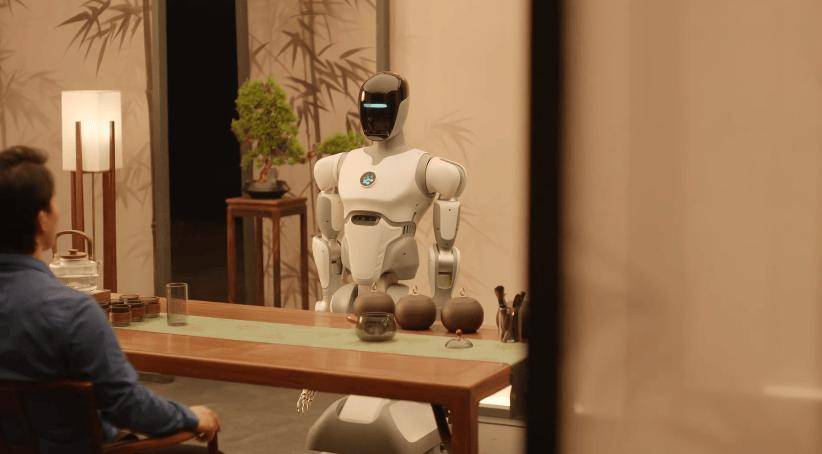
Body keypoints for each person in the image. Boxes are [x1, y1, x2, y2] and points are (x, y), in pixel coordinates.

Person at [0, 146, 220, 449]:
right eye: (53, 201)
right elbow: (127, 406)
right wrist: (190, 417)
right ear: (43, 220)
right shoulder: (73, 312)